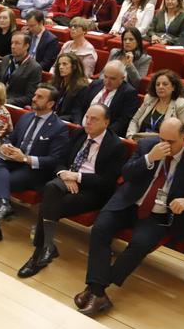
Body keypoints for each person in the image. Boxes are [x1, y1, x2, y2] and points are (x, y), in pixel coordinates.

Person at [77, 118, 184, 316]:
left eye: (170, 141)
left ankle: (96, 289)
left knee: (139, 244)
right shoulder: (149, 144)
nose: (164, 145)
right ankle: (98, 293)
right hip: (129, 203)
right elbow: (127, 174)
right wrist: (149, 158)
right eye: (161, 138)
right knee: (100, 229)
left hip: (158, 214)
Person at [17, 104, 127, 278]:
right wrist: (64, 174)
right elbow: (60, 159)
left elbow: (107, 182)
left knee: (49, 203)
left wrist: (76, 177)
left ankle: (43, 251)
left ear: (106, 122)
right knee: (52, 188)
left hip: (92, 191)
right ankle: (42, 251)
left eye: (94, 119)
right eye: (87, 117)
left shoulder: (116, 146)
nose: (88, 122)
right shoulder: (80, 133)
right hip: (66, 180)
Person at [0, 85, 70, 249]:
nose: (33, 98)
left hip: (35, 169)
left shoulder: (59, 128)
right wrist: (6, 146)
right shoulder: (26, 117)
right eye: (34, 94)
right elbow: (11, 138)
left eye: (40, 97)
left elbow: (54, 160)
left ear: (50, 104)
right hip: (14, 159)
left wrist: (25, 158)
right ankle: (4, 204)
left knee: (4, 181)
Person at [77, 60, 140, 137]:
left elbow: (123, 121)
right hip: (81, 130)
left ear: (122, 78)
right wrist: (78, 125)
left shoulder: (129, 93)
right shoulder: (95, 84)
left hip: (105, 136)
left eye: (112, 79)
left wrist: (103, 135)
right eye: (106, 77)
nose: (107, 81)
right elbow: (79, 106)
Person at [127, 69, 184, 139]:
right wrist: (130, 136)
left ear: (173, 87)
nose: (160, 87)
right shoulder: (149, 99)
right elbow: (135, 121)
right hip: (139, 141)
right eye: (157, 84)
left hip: (163, 145)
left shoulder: (182, 105)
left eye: (165, 84)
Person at [0, 33, 43, 107]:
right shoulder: (6, 59)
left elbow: (29, 97)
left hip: (14, 104)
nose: (13, 46)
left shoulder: (34, 68)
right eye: (12, 43)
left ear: (26, 46)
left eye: (17, 43)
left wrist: (7, 101)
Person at [51, 52, 89, 123]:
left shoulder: (81, 88)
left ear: (74, 67)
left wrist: (56, 118)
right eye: (59, 64)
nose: (61, 67)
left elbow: (76, 113)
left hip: (64, 121)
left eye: (64, 64)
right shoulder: (56, 83)